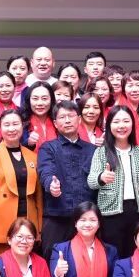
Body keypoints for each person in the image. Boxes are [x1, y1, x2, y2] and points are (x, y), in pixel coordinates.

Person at [87, 105, 139, 257]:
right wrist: (101, 177)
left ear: (133, 124)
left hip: (138, 212)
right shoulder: (101, 152)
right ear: (109, 126)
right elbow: (91, 181)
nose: (121, 126)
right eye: (116, 122)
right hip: (110, 215)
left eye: (126, 121)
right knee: (113, 257)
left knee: (135, 256)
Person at [0, 110, 42, 257]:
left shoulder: (32, 156)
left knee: (24, 265)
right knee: (0, 265)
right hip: (0, 220)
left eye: (15, 124)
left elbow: (38, 197)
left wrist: (38, 228)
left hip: (27, 220)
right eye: (7, 125)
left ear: (22, 126)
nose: (11, 128)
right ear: (0, 128)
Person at [38, 100, 97, 256]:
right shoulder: (48, 148)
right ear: (55, 124)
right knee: (53, 259)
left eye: (71, 116)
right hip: (57, 216)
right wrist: (51, 184)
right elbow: (45, 170)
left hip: (86, 218)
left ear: (79, 119)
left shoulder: (93, 150)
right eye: (62, 117)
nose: (67, 120)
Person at [21, 81, 57, 154]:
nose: (40, 103)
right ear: (29, 100)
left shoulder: (58, 121)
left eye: (44, 98)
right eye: (35, 98)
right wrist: (28, 143)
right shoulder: (21, 122)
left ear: (51, 100)